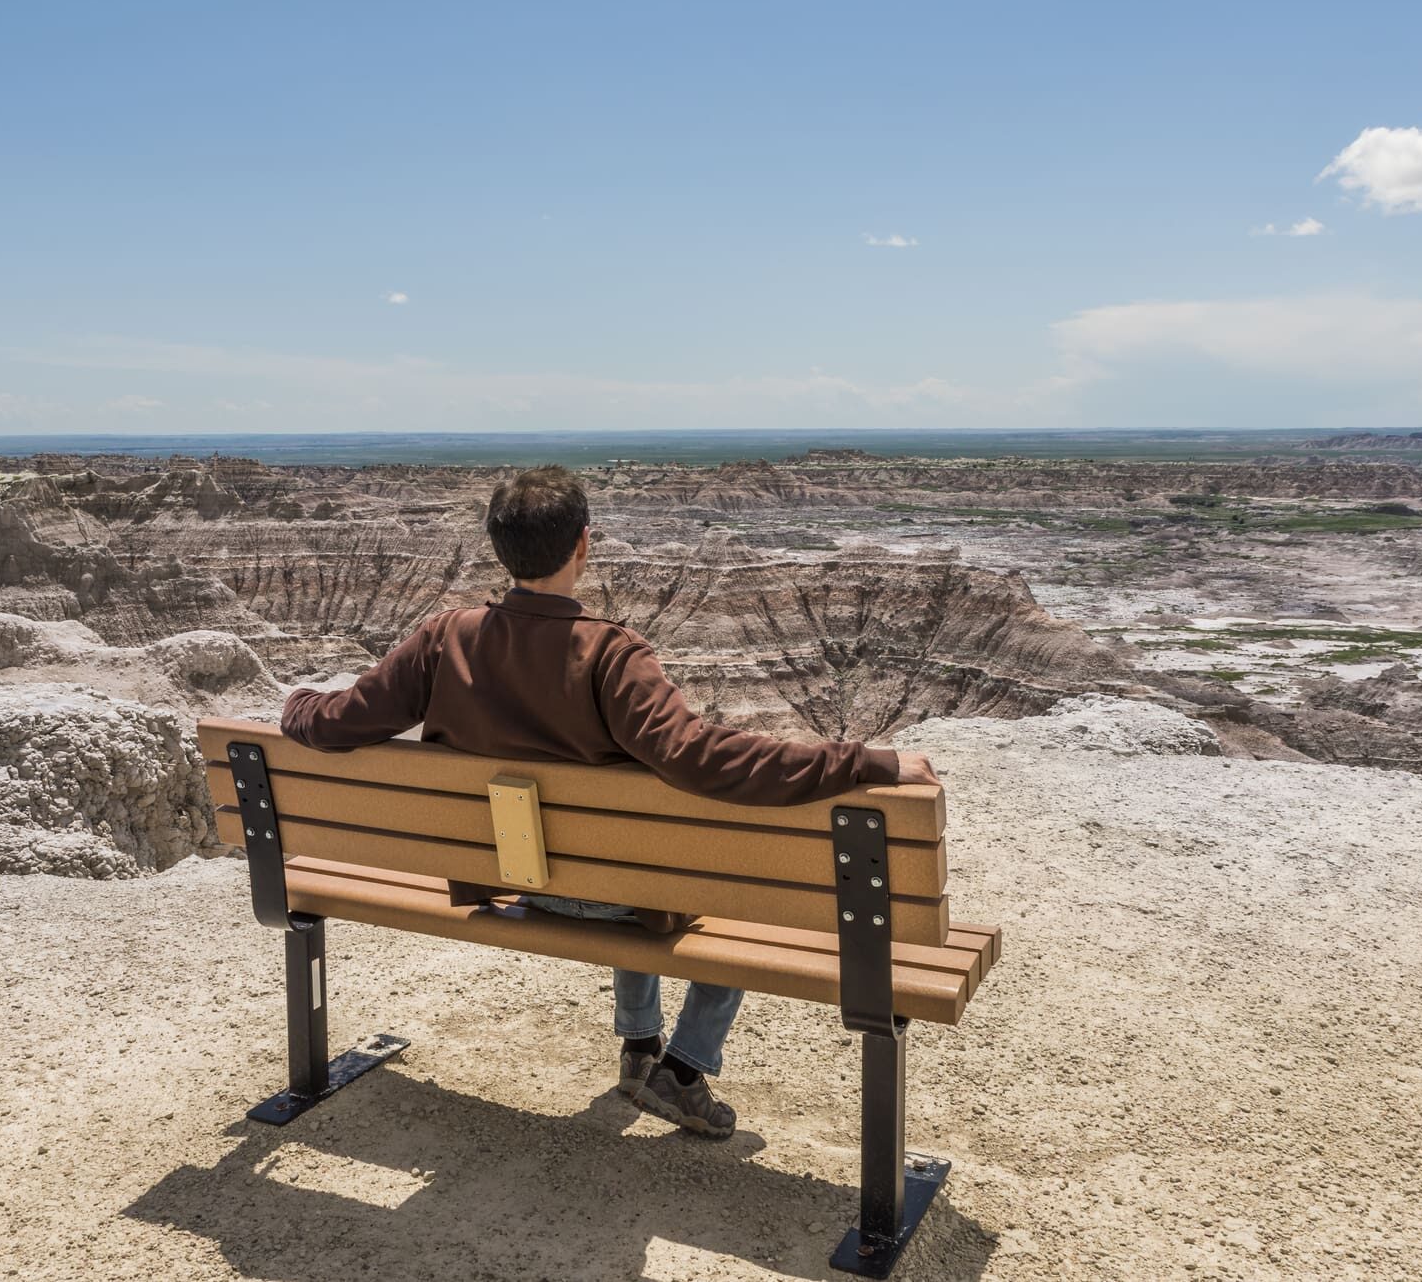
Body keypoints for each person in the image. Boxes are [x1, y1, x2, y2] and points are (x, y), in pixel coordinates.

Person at [281, 466, 938, 1139]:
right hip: (615, 889)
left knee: (640, 863)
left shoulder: (442, 638)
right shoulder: (609, 652)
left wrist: (296, 704)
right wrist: (865, 760)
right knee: (741, 884)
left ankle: (638, 1048)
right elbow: (704, 759)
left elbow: (338, 722)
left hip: (505, 880)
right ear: (583, 546)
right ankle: (680, 1068)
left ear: (498, 548)